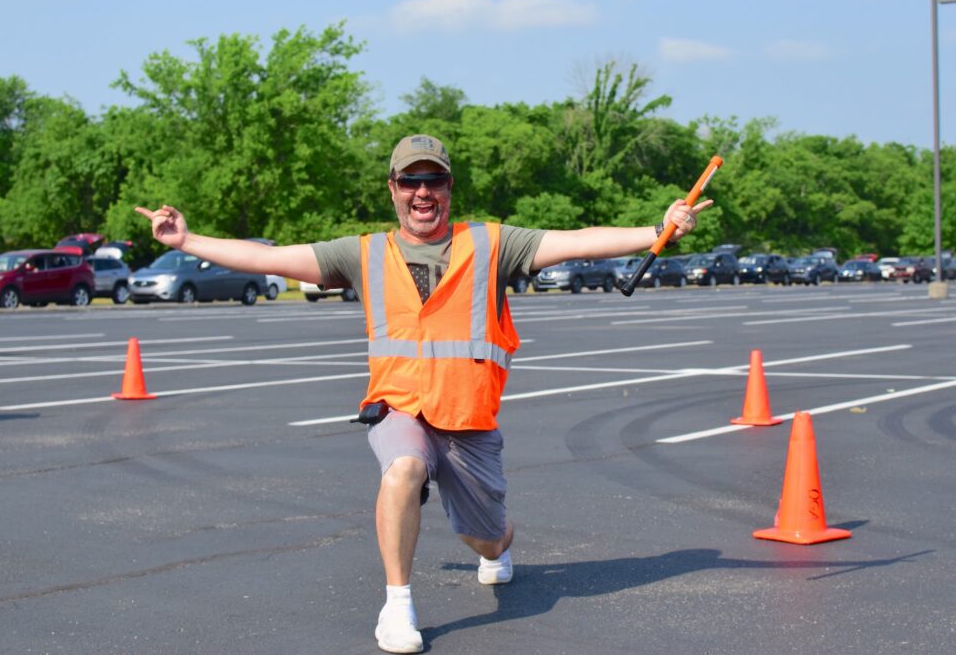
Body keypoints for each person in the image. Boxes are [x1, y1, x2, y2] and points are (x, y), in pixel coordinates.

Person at [136, 134, 711, 654]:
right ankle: (398, 605)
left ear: (448, 188)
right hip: (398, 406)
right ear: (392, 189)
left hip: (468, 418)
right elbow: (270, 257)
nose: (421, 192)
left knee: (483, 537)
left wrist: (657, 230)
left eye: (432, 179)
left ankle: (499, 545)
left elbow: (577, 243)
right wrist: (187, 239)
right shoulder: (361, 253)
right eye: (410, 180)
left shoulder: (491, 244)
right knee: (403, 470)